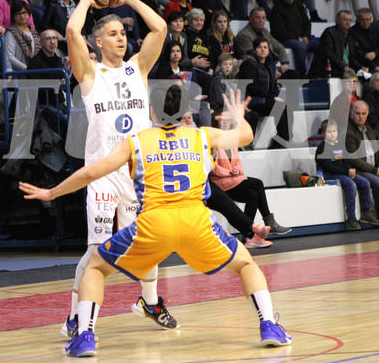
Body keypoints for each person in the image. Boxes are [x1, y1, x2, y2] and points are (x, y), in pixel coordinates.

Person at [19, 87, 292, 356]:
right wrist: (237, 115)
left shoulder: (137, 140)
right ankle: (268, 325)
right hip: (195, 221)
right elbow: (245, 135)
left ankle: (84, 336)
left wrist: (53, 192)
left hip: (154, 223)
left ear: (151, 111)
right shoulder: (200, 135)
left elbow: (92, 171)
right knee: (246, 264)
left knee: (94, 269)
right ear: (184, 111)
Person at [59, 0, 177, 340]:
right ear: (98, 42)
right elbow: (72, 33)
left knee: (148, 243)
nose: (122, 37)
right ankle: (77, 317)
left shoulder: (138, 69)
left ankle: (149, 302)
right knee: (98, 250)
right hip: (102, 174)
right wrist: (85, 0)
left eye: (124, 33)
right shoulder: (90, 74)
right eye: (113, 33)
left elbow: (159, 28)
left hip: (139, 175)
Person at [209, 117, 291, 236]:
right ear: (216, 121)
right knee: (257, 183)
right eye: (222, 118)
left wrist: (237, 170)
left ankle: (248, 235)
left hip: (233, 180)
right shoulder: (213, 141)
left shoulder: (232, 141)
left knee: (252, 195)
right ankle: (269, 222)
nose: (225, 121)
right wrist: (229, 172)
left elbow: (237, 162)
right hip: (220, 184)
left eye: (227, 118)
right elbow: (213, 166)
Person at [315, 119, 379, 230]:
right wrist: (346, 172)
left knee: (364, 182)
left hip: (343, 173)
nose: (332, 134)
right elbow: (328, 167)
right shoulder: (322, 148)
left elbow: (345, 162)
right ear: (323, 133)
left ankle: (367, 212)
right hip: (329, 175)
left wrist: (350, 170)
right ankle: (351, 217)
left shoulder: (339, 146)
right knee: (351, 185)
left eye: (334, 131)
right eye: (329, 131)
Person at [238, 37, 291, 148]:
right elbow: (252, 87)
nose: (262, 50)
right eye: (259, 47)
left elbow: (273, 86)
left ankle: (282, 139)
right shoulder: (249, 64)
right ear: (254, 50)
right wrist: (272, 98)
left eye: (265, 47)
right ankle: (281, 140)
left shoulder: (269, 65)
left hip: (263, 100)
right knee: (278, 106)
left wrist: (274, 96)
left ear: (268, 50)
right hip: (250, 101)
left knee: (285, 106)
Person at [269, 0, 318, 76]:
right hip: (285, 40)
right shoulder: (277, 9)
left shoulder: (299, 4)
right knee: (301, 47)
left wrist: (306, 36)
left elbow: (307, 23)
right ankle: (301, 75)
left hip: (302, 38)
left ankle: (313, 73)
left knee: (322, 44)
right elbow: (280, 32)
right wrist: (299, 39)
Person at [234, 8, 295, 79]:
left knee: (293, 74)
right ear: (250, 19)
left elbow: (279, 47)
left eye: (263, 18)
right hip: (257, 70)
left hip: (271, 67)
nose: (261, 21)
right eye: (257, 18)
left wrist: (284, 63)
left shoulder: (265, 32)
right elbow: (251, 57)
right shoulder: (244, 35)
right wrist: (270, 71)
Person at [27, 30, 67, 108]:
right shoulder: (35, 63)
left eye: (54, 38)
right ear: (41, 42)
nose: (52, 42)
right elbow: (32, 89)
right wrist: (56, 85)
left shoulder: (59, 60)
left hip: (60, 103)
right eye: (48, 39)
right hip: (44, 106)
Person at [318, 10, 363, 78]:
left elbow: (351, 58)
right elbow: (328, 53)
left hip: (346, 69)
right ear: (338, 21)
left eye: (350, 20)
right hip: (332, 70)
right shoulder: (329, 32)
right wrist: (343, 66)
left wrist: (361, 67)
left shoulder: (350, 36)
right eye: (345, 20)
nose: (348, 23)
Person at [4, 0, 41, 72]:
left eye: (24, 13)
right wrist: (26, 69)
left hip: (35, 71)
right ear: (13, 16)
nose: (22, 16)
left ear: (29, 14)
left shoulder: (34, 32)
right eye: (18, 13)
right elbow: (9, 57)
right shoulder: (10, 33)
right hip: (19, 73)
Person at [329, 69, 359, 138]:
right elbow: (342, 122)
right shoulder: (339, 100)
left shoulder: (358, 99)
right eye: (348, 82)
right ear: (343, 84)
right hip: (343, 131)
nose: (352, 84)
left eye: (354, 81)